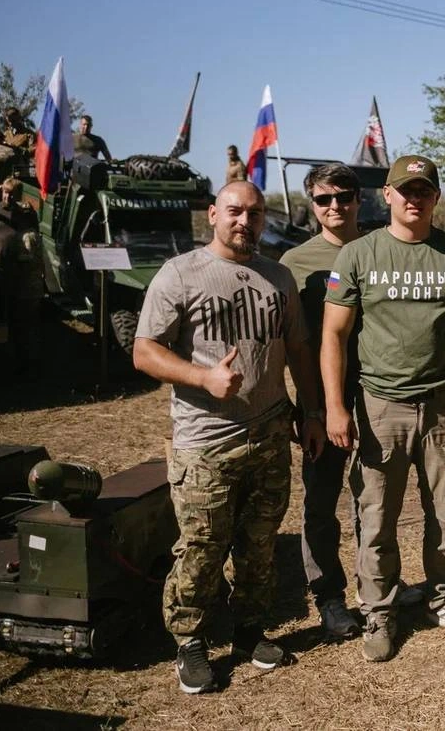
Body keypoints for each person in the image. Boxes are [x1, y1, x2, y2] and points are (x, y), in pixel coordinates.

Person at [133, 180, 325, 695]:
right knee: (202, 545)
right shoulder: (180, 273)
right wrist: (203, 378)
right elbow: (144, 351)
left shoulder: (278, 276)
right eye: (235, 211)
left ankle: (249, 631)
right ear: (213, 214)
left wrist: (311, 412)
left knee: (259, 543)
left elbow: (299, 349)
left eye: (255, 213)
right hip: (206, 439)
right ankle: (190, 642)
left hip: (270, 433)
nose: (245, 221)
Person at [322, 154, 445, 663]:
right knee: (377, 516)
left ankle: (444, 599)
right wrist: (335, 406)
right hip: (381, 406)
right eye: (406, 190)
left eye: (424, 190)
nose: (414, 198)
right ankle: (379, 611)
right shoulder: (359, 254)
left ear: (436, 197)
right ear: (388, 195)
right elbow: (334, 335)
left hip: (444, 403)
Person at [279, 164, 367, 640]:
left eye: (344, 196)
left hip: (377, 393)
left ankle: (376, 587)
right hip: (320, 399)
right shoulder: (295, 263)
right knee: (321, 500)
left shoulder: (379, 248)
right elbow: (290, 342)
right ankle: (329, 597)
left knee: (373, 500)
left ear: (359, 199)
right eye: (324, 199)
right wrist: (311, 409)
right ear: (311, 204)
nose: (335, 206)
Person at [0, 178, 43, 372]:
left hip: (15, 274)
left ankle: (21, 362)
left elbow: (33, 234)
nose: (7, 197)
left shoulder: (25, 214)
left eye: (12, 194)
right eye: (5, 193)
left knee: (18, 320)